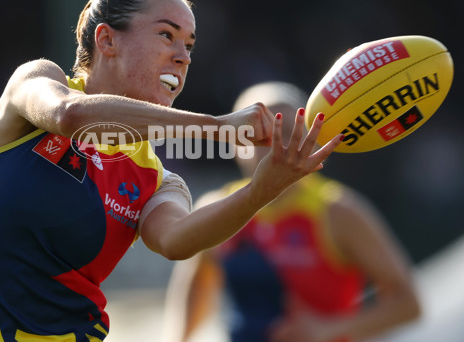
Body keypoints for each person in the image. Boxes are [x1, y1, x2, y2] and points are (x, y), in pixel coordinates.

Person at [0, 0, 343, 342]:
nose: (183, 57)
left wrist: (261, 191)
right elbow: (69, 116)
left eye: (190, 45)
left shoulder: (158, 179)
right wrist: (217, 126)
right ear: (106, 40)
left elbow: (177, 240)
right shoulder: (37, 83)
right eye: (167, 35)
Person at [163, 82, 421, 342]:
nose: (272, 143)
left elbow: (408, 303)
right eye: (255, 131)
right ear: (234, 144)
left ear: (308, 140)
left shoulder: (339, 211)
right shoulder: (215, 205)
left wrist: (329, 328)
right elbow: (195, 289)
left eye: (286, 131)